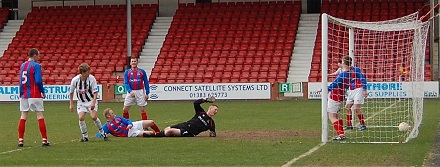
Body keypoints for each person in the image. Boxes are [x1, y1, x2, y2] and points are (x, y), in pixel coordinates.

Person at [17, 48, 51, 147]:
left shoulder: (23, 65)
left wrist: (21, 93)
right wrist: (42, 91)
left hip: (24, 94)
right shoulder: (36, 66)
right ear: (34, 55)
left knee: (23, 116)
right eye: (38, 55)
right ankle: (44, 140)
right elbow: (38, 80)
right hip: (34, 93)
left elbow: (20, 80)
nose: (39, 57)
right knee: (39, 115)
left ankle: (20, 140)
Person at [69, 63, 108, 142]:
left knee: (93, 117)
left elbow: (95, 92)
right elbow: (71, 92)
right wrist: (71, 104)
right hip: (81, 102)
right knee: (81, 118)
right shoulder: (75, 80)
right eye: (87, 71)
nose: (89, 73)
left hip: (91, 100)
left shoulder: (91, 79)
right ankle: (85, 136)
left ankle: (103, 133)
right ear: (83, 73)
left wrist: (93, 103)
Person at [123, 57, 160, 132]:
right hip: (131, 92)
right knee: (125, 109)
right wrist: (130, 91)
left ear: (137, 62)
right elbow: (126, 83)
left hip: (140, 91)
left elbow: (146, 82)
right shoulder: (127, 72)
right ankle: (126, 124)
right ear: (130, 63)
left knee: (142, 109)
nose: (133, 63)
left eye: (135, 61)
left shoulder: (142, 71)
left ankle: (145, 126)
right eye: (132, 61)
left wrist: (147, 93)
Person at [150, 96, 217, 137]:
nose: (216, 111)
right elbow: (196, 103)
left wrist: (212, 134)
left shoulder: (211, 123)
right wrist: (206, 100)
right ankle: (153, 134)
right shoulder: (201, 112)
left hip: (189, 132)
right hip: (184, 125)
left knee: (170, 131)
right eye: (215, 109)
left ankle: (152, 135)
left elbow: (213, 133)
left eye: (217, 111)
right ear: (210, 108)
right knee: (166, 129)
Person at [324, 56, 351, 141]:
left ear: (343, 63)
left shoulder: (342, 75)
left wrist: (325, 89)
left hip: (335, 96)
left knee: (332, 116)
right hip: (340, 95)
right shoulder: (349, 73)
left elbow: (335, 84)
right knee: (336, 115)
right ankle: (341, 132)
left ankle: (341, 134)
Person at [343, 55, 368, 131]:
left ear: (345, 63)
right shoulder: (344, 72)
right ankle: (349, 125)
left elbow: (362, 78)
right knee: (347, 107)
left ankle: (362, 124)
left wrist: (364, 89)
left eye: (342, 61)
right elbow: (346, 82)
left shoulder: (356, 70)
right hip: (351, 90)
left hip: (358, 89)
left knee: (356, 108)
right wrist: (345, 90)